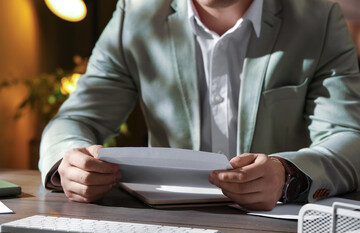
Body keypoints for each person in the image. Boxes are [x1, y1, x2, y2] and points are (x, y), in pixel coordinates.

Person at [39, 0, 360, 211]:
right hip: (167, 224)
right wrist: (70, 160)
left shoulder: (318, 19)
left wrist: (287, 174)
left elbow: (349, 139)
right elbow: (74, 120)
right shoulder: (135, 16)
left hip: (275, 225)